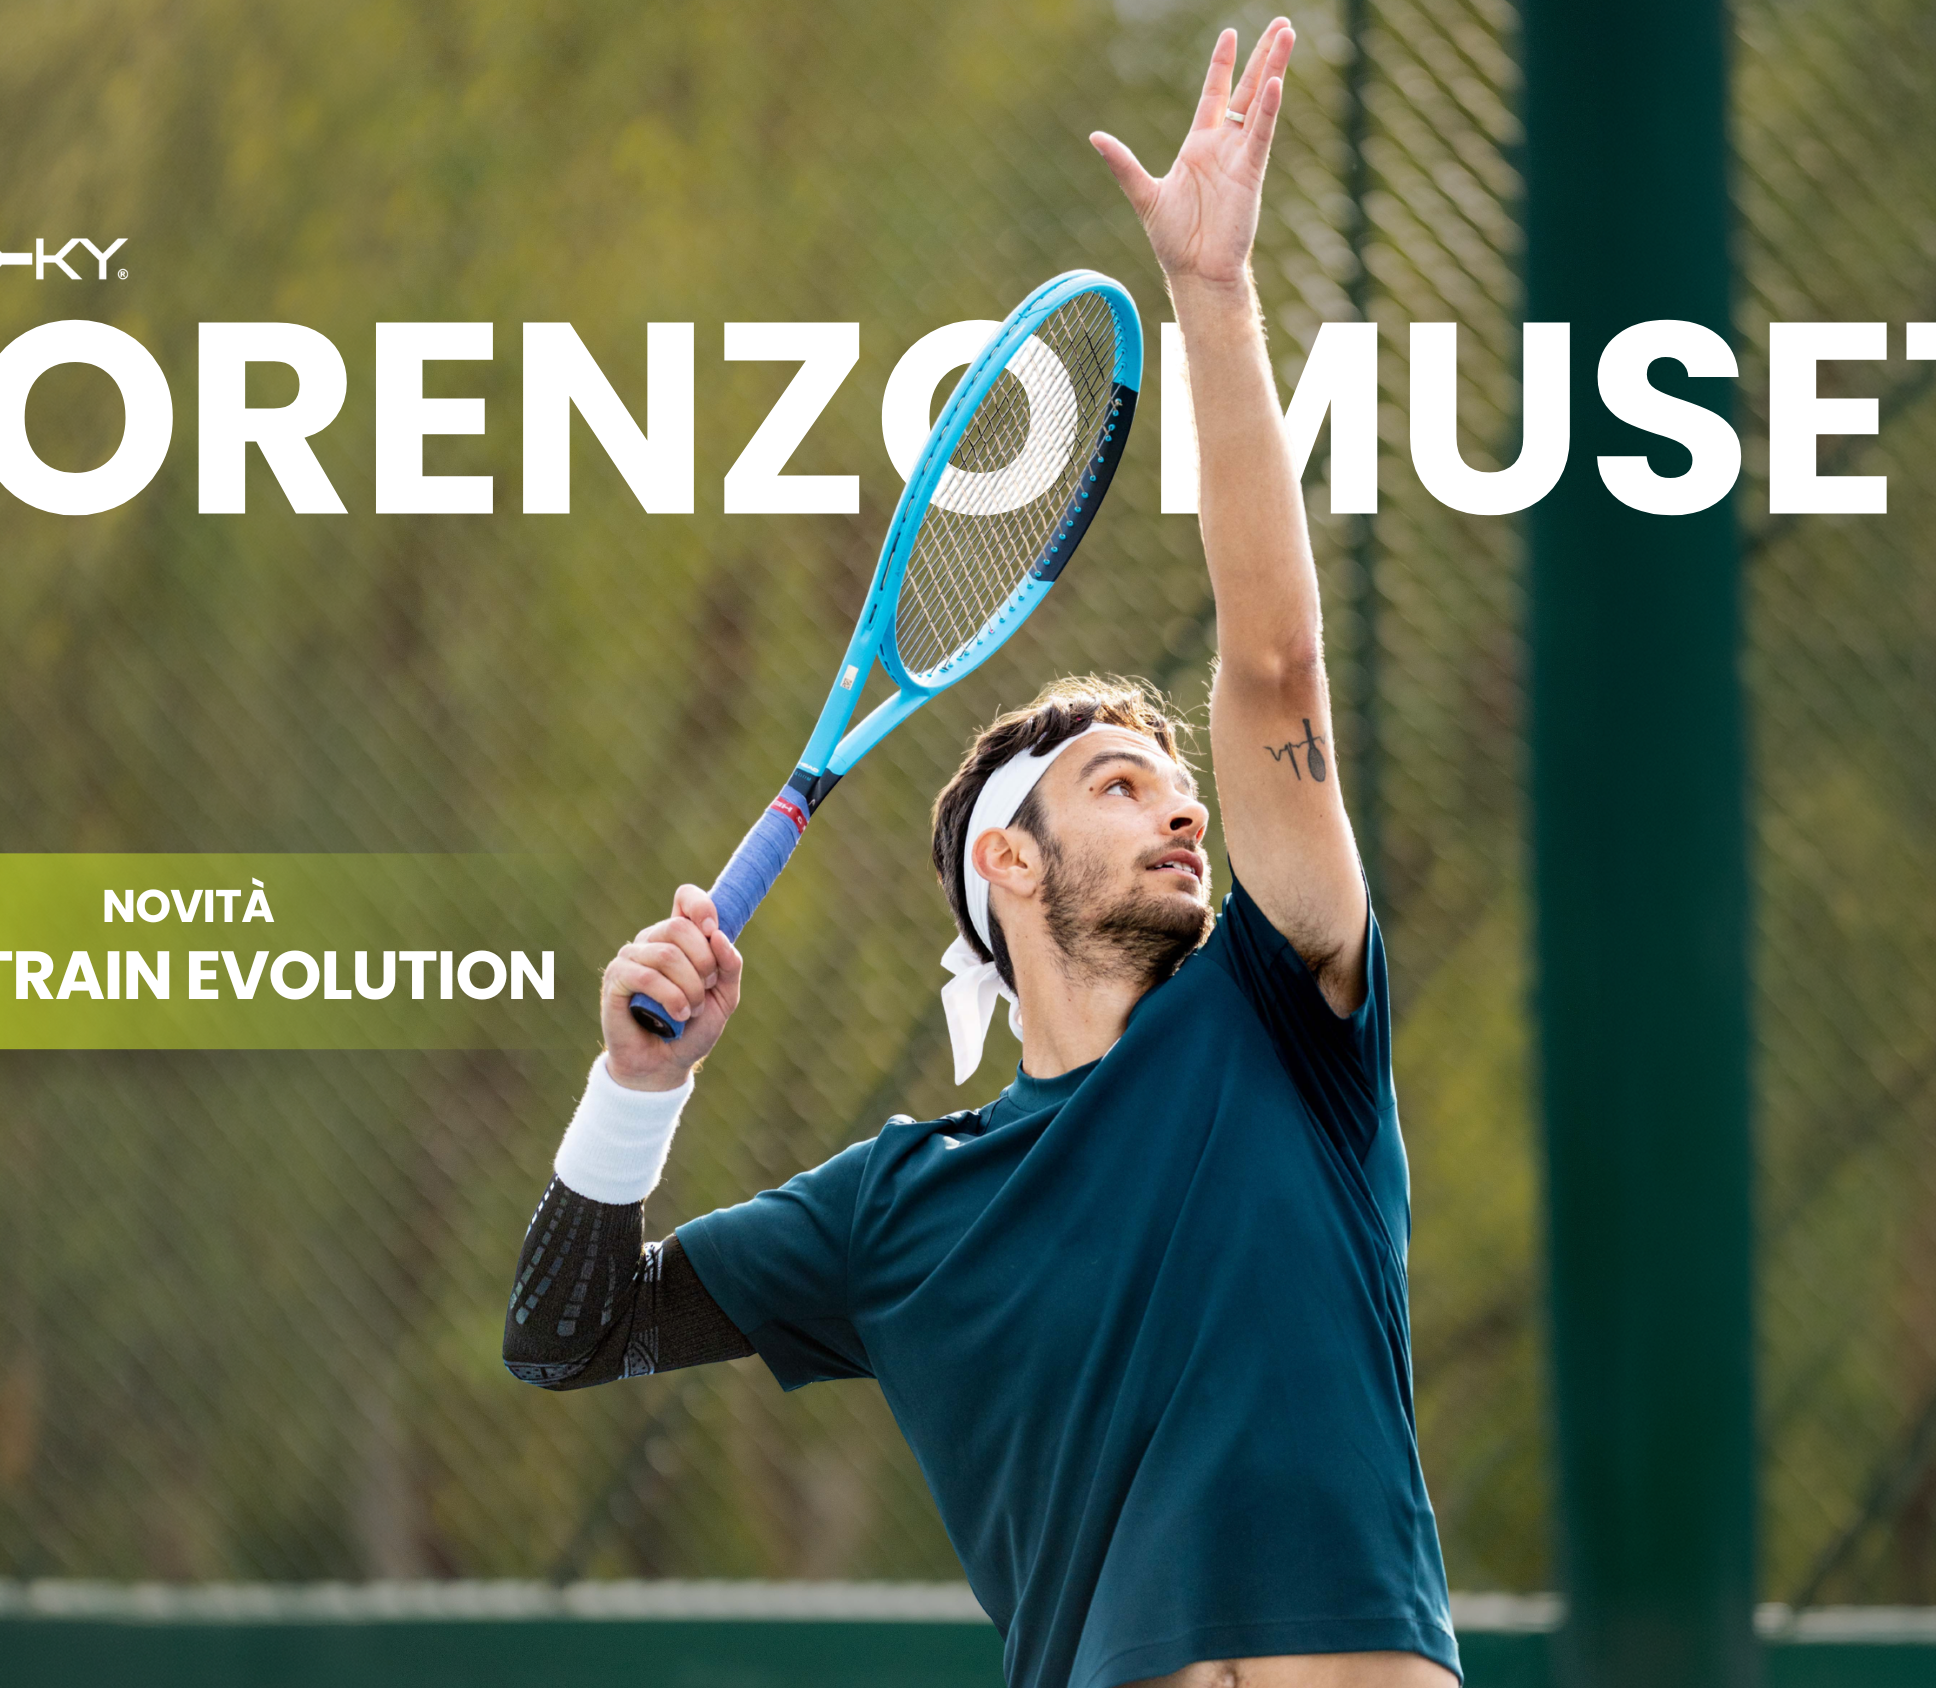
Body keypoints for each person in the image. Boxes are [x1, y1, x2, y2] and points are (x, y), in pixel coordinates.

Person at [504, 21, 1459, 1688]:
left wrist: (1216, 298)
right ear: (1007, 871)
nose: (1184, 812)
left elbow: (1276, 665)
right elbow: (563, 1333)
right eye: (1119, 785)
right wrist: (638, 1087)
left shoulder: (1287, 1023)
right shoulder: (897, 1209)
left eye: (1181, 789)